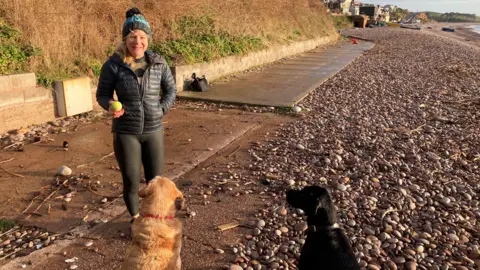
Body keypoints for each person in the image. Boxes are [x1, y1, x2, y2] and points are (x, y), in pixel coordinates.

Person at [96, 7, 177, 223]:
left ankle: (155, 218)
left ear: (148, 39)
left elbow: (171, 90)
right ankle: (135, 218)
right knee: (131, 182)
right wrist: (111, 103)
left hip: (154, 130)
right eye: (133, 37)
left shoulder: (158, 63)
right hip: (126, 131)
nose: (137, 42)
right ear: (125, 39)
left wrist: (160, 109)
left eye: (142, 37)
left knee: (155, 182)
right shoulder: (113, 65)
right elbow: (102, 95)